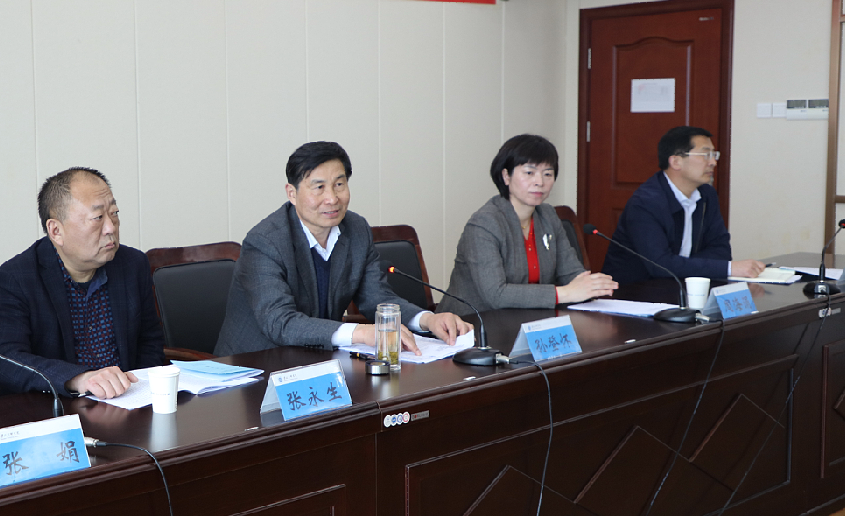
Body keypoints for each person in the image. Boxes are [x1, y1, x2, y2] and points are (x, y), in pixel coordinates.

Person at [215, 141, 471, 356]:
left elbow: (376, 298)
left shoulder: (356, 229)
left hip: (317, 359)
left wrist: (428, 319)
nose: (332, 198)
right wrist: (361, 333)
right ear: (292, 194)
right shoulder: (265, 242)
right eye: (319, 187)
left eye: (339, 184)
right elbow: (280, 323)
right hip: (254, 365)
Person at [0, 167, 165, 399]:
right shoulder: (16, 278)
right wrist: (77, 379)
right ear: (56, 231)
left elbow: (150, 341)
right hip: (58, 407)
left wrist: (142, 391)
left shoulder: (133, 264)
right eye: (98, 218)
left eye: (114, 213)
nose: (111, 227)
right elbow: (4, 360)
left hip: (127, 401)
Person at [440, 134, 617, 314]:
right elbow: (496, 294)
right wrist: (565, 293)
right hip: (472, 323)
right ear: (506, 176)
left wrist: (591, 286)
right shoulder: (485, 223)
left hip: (527, 319)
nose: (540, 182)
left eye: (547, 174)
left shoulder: (548, 215)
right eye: (529, 173)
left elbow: (570, 273)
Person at [602, 126, 766, 284]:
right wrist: (728, 268)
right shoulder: (645, 203)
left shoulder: (707, 195)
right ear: (676, 162)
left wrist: (681, 266)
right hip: (634, 292)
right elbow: (660, 266)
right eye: (705, 155)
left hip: (681, 286)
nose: (713, 162)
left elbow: (721, 250)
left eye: (714, 155)